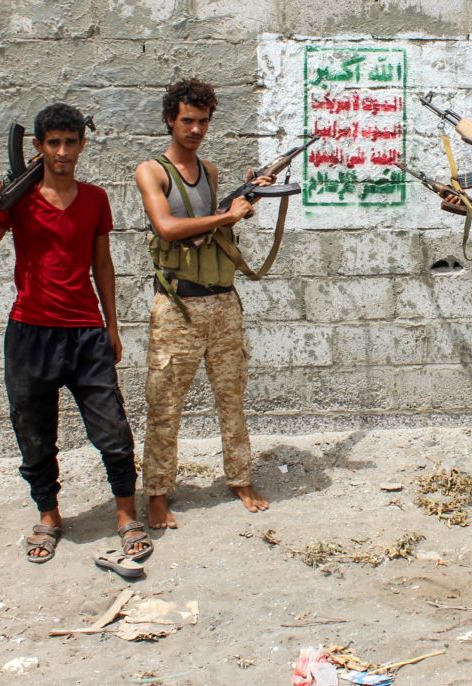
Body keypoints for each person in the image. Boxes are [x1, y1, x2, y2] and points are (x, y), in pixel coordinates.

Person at [0, 102, 150, 565]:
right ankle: (49, 516)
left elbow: (101, 265)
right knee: (34, 434)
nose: (62, 152)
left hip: (86, 333)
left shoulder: (95, 199)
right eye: (53, 143)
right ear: (38, 147)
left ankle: (126, 514)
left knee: (113, 431)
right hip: (29, 334)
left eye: (71, 142)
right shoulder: (17, 200)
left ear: (82, 145)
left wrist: (112, 324)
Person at [134, 78, 272, 530]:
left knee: (233, 397)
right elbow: (168, 226)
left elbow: (215, 223)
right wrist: (228, 214)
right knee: (165, 404)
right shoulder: (151, 171)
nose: (196, 129)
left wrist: (248, 194)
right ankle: (157, 493)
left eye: (203, 121)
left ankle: (240, 478)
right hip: (179, 306)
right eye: (187, 120)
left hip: (222, 302)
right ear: (170, 119)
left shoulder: (209, 172)